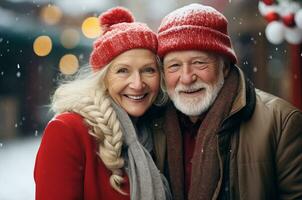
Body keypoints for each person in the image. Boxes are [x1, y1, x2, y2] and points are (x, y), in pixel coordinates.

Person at [151, 3, 302, 200]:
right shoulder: (152, 124)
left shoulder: (281, 122)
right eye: (174, 66)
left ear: (224, 66)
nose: (186, 78)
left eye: (199, 62)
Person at [34, 7, 171, 200]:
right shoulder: (68, 131)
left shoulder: (156, 130)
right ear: (103, 78)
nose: (138, 84)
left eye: (148, 70)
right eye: (123, 70)